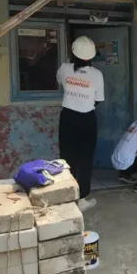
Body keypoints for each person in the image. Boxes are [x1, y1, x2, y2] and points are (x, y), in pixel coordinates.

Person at [56, 36, 104, 211]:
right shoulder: (97, 75)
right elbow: (98, 100)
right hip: (86, 120)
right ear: (91, 56)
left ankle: (67, 197)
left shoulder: (64, 69)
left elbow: (61, 84)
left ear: (73, 52)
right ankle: (81, 198)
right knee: (85, 159)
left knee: (67, 157)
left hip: (68, 118)